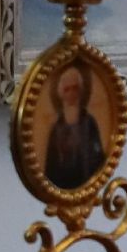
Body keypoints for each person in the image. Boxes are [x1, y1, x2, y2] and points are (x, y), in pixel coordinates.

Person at [42, 58, 106, 189]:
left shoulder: (89, 123)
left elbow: (98, 159)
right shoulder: (56, 128)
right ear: (61, 93)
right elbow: (50, 168)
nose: (71, 94)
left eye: (75, 88)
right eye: (67, 89)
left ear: (81, 91)